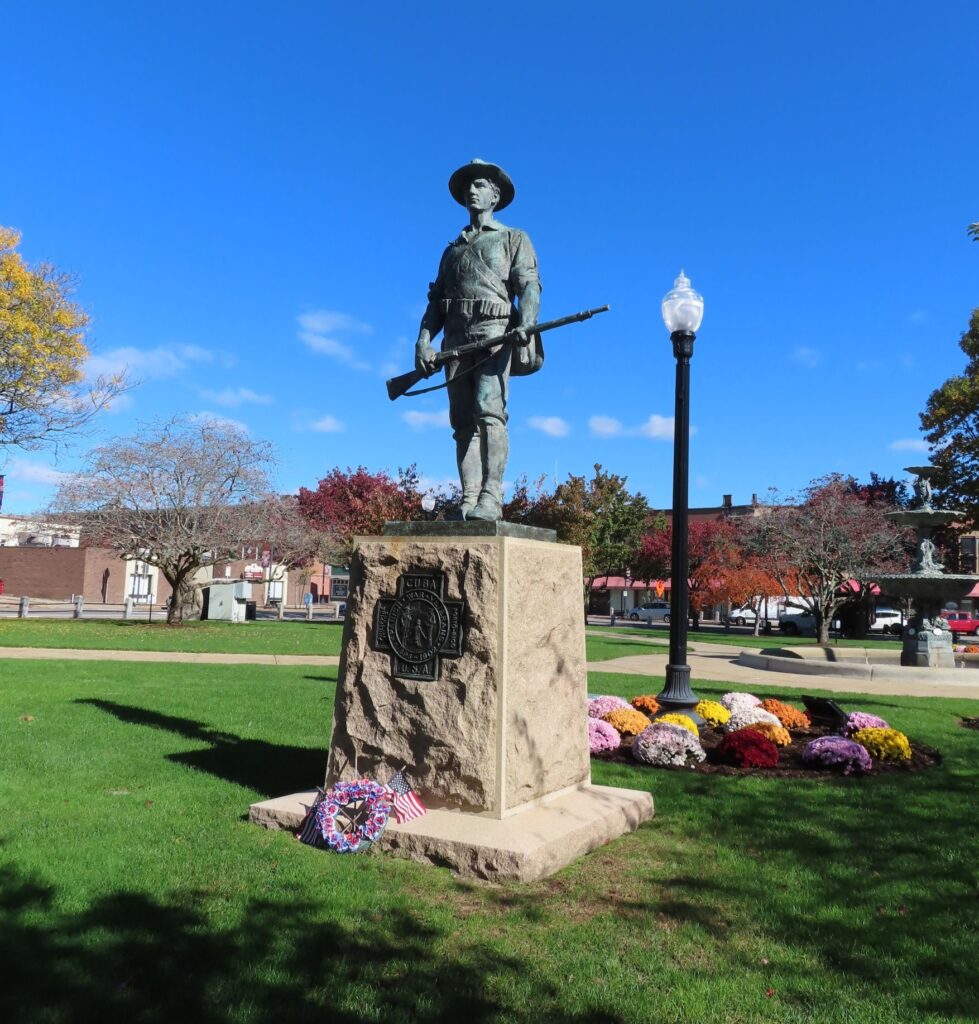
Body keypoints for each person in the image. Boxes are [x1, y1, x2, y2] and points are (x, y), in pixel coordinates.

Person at [415, 159, 542, 521]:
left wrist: (527, 323)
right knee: (461, 423)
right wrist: (423, 341)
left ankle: (491, 496)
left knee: (489, 412)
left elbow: (529, 285)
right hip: (453, 341)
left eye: (480, 185)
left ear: (495, 195)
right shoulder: (451, 250)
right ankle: (468, 497)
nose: (472, 190)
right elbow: (437, 303)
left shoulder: (513, 238)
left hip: (494, 335)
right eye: (468, 185)